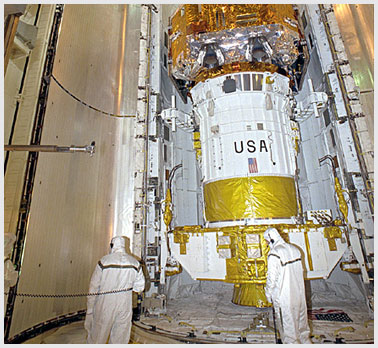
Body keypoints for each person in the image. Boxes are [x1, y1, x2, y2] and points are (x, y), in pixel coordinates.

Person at [84, 236, 145, 344]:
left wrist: (90, 309)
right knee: (120, 338)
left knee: (98, 337)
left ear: (112, 245)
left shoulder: (104, 261)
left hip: (105, 304)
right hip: (124, 305)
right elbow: (140, 287)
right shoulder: (135, 263)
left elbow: (93, 287)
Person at [264, 227, 312, 344]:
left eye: (266, 240)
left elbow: (272, 278)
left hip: (284, 298)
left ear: (270, 239)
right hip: (299, 297)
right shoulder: (295, 249)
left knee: (289, 333)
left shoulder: (275, 254)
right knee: (303, 331)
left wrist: (268, 294)